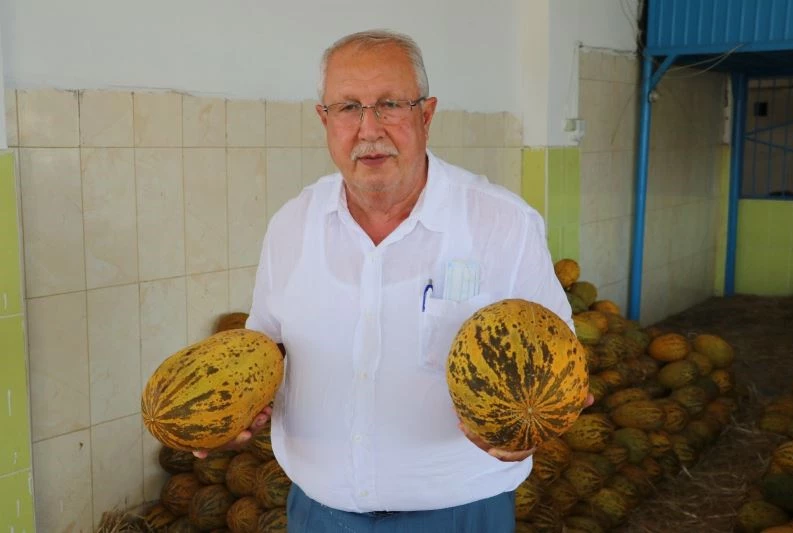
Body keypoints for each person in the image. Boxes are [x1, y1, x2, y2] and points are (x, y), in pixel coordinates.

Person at [235, 29, 581, 532]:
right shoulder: (291, 224)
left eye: (390, 105)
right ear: (324, 119)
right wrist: (233, 412)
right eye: (348, 108)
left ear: (427, 115)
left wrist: (533, 426)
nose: (369, 129)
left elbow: (560, 361)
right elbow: (263, 349)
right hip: (317, 514)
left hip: (461, 516)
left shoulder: (503, 224)